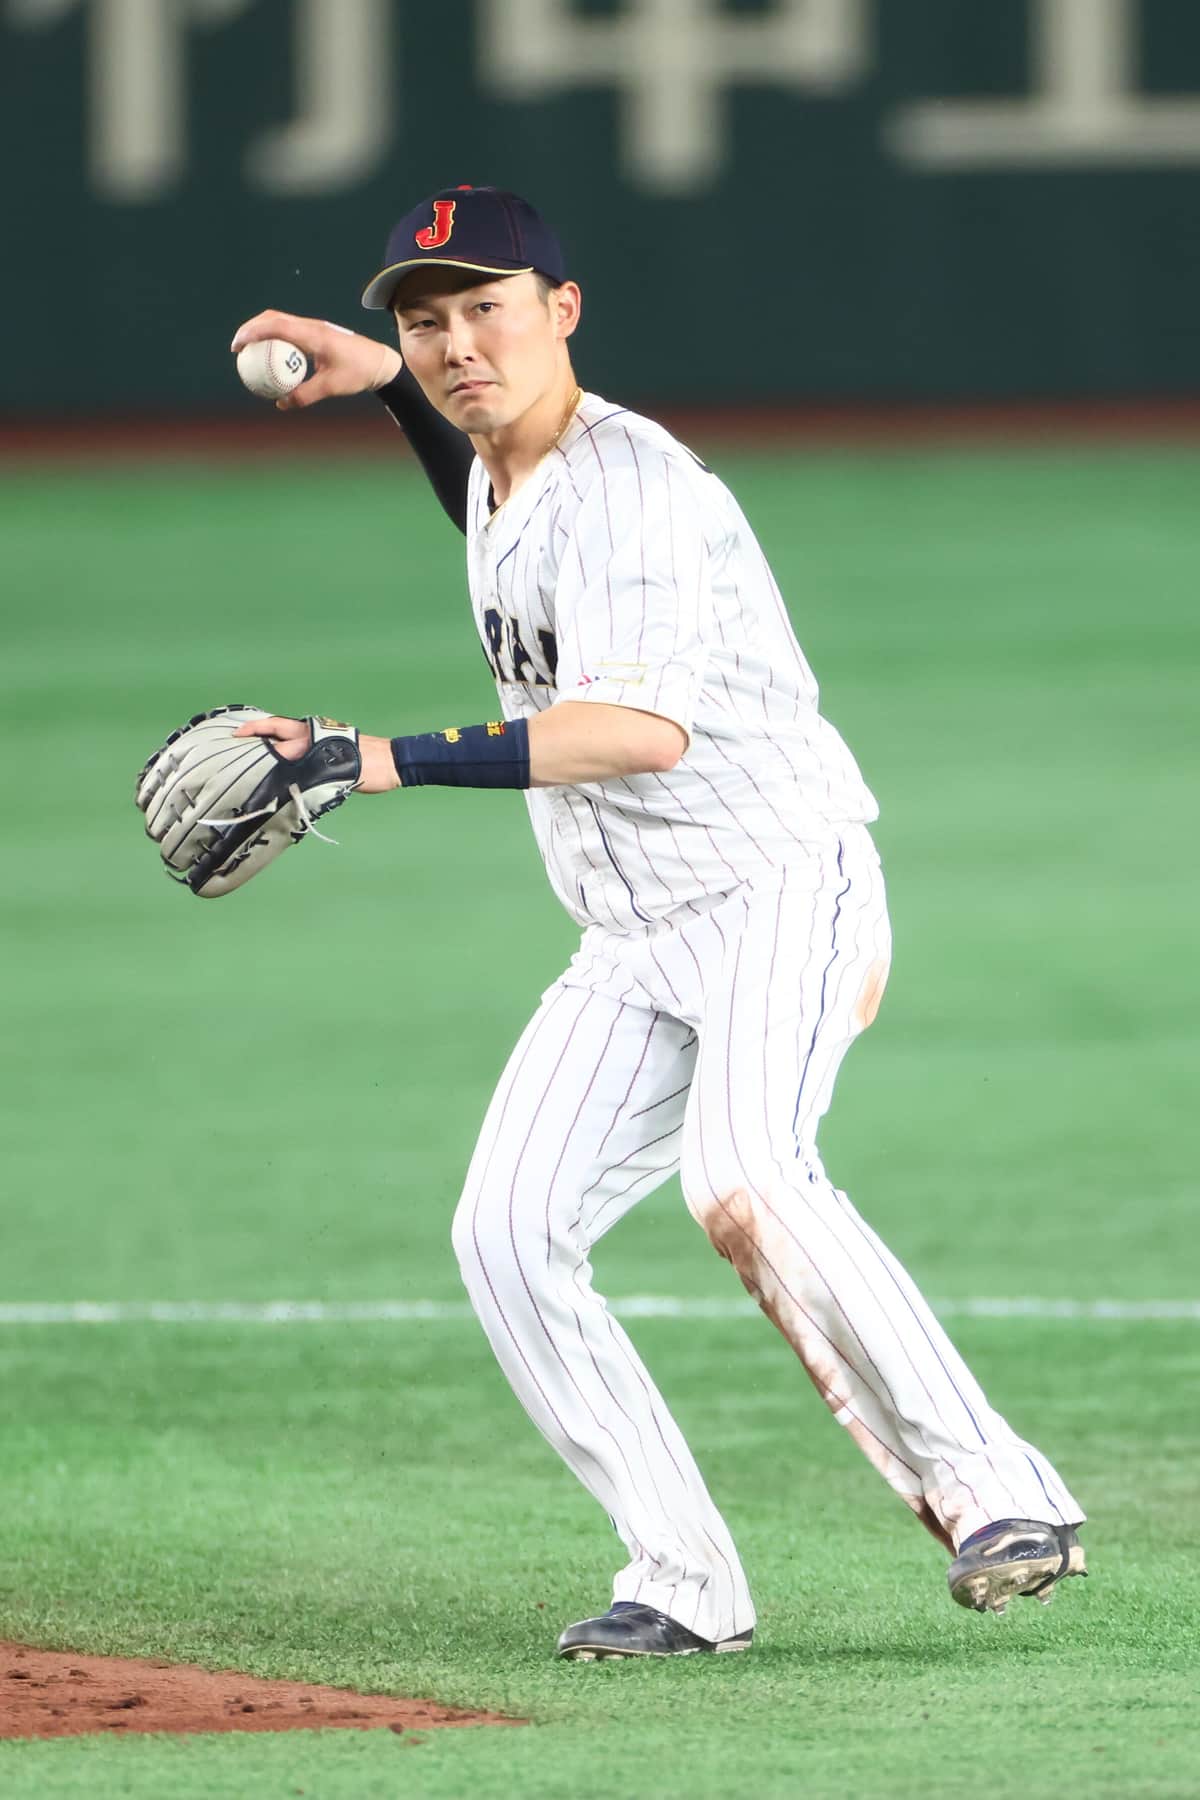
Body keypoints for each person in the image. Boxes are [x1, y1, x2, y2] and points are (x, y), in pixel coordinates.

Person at [231, 185, 1086, 1660]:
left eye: (484, 308)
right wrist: (393, 396)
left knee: (746, 1173)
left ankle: (1003, 1494)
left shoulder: (639, 490)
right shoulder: (510, 461)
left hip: (774, 886)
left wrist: (374, 757)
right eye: (424, 322)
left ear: (564, 311)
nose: (454, 344)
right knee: (505, 1233)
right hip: (630, 934)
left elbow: (632, 731)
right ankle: (682, 1581)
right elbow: (496, 503)